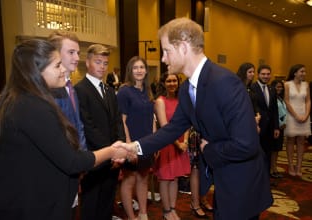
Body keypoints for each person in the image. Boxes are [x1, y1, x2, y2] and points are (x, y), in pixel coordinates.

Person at [117, 17, 273, 220]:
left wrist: (208, 149)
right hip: (222, 175)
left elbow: (247, 144)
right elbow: (172, 129)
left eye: (166, 51)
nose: (163, 59)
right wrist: (134, 147)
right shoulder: (186, 89)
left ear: (182, 47)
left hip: (242, 180)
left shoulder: (224, 82)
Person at [0, 39, 128, 220]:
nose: (63, 70)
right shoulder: (31, 106)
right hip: (31, 206)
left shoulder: (22, 100)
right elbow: (72, 161)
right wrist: (111, 151)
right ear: (37, 71)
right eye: (57, 65)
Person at [74, 44, 125, 220]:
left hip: (113, 159)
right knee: (91, 205)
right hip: (95, 157)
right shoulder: (80, 90)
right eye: (98, 62)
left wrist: (121, 147)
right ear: (87, 63)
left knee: (106, 203)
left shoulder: (110, 91)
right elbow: (87, 126)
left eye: (105, 63)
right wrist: (111, 151)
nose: (102, 67)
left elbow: (118, 120)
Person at [117, 56, 156, 220]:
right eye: (135, 68)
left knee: (143, 178)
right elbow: (122, 121)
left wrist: (155, 143)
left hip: (147, 143)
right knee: (129, 180)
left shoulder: (148, 91)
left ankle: (143, 213)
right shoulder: (125, 91)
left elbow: (152, 118)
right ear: (130, 71)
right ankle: (132, 217)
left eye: (142, 67)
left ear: (146, 70)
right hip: (132, 144)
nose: (139, 70)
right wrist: (128, 146)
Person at [153, 72, 191, 220]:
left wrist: (185, 141)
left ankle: (173, 209)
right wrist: (178, 143)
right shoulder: (160, 101)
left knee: (175, 178)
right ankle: (166, 210)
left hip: (181, 142)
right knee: (165, 178)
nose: (172, 84)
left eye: (174, 80)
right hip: (167, 143)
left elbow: (186, 121)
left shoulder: (181, 100)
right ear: (163, 83)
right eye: (168, 81)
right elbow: (164, 126)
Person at [48, 31, 87, 151]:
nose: (77, 58)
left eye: (78, 53)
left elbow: (78, 126)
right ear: (56, 54)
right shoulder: (49, 90)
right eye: (71, 52)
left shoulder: (71, 88)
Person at [250, 64, 280, 175]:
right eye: (263, 74)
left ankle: (265, 178)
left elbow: (274, 110)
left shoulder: (272, 89)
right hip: (257, 127)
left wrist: (276, 127)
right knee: (256, 154)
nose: (266, 76)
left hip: (270, 128)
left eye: (268, 74)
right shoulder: (252, 88)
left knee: (267, 153)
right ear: (258, 75)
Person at [284, 64, 311, 177]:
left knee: (301, 141)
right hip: (291, 115)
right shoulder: (287, 84)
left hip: (304, 115)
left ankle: (299, 166)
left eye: (304, 72)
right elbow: (286, 101)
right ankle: (290, 165)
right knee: (290, 141)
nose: (304, 73)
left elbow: (308, 101)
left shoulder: (306, 85)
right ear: (295, 72)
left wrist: (306, 115)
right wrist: (295, 116)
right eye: (302, 71)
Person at [187, 127, 213, 219]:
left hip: (208, 131)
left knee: (208, 167)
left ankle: (203, 199)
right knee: (196, 168)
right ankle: (195, 204)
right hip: (196, 132)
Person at [236, 62, 261, 133]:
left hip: (254, 119)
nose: (252, 74)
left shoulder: (251, 87)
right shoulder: (238, 87)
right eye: (250, 72)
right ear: (243, 73)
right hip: (243, 120)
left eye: (253, 72)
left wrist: (258, 115)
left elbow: (254, 103)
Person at [270, 80, 286, 178]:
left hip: (281, 127)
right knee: (273, 149)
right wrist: (279, 124)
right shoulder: (272, 98)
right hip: (275, 127)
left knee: (277, 149)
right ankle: (272, 169)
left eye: (281, 87)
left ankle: (274, 167)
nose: (279, 89)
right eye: (277, 87)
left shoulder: (280, 98)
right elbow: (273, 114)